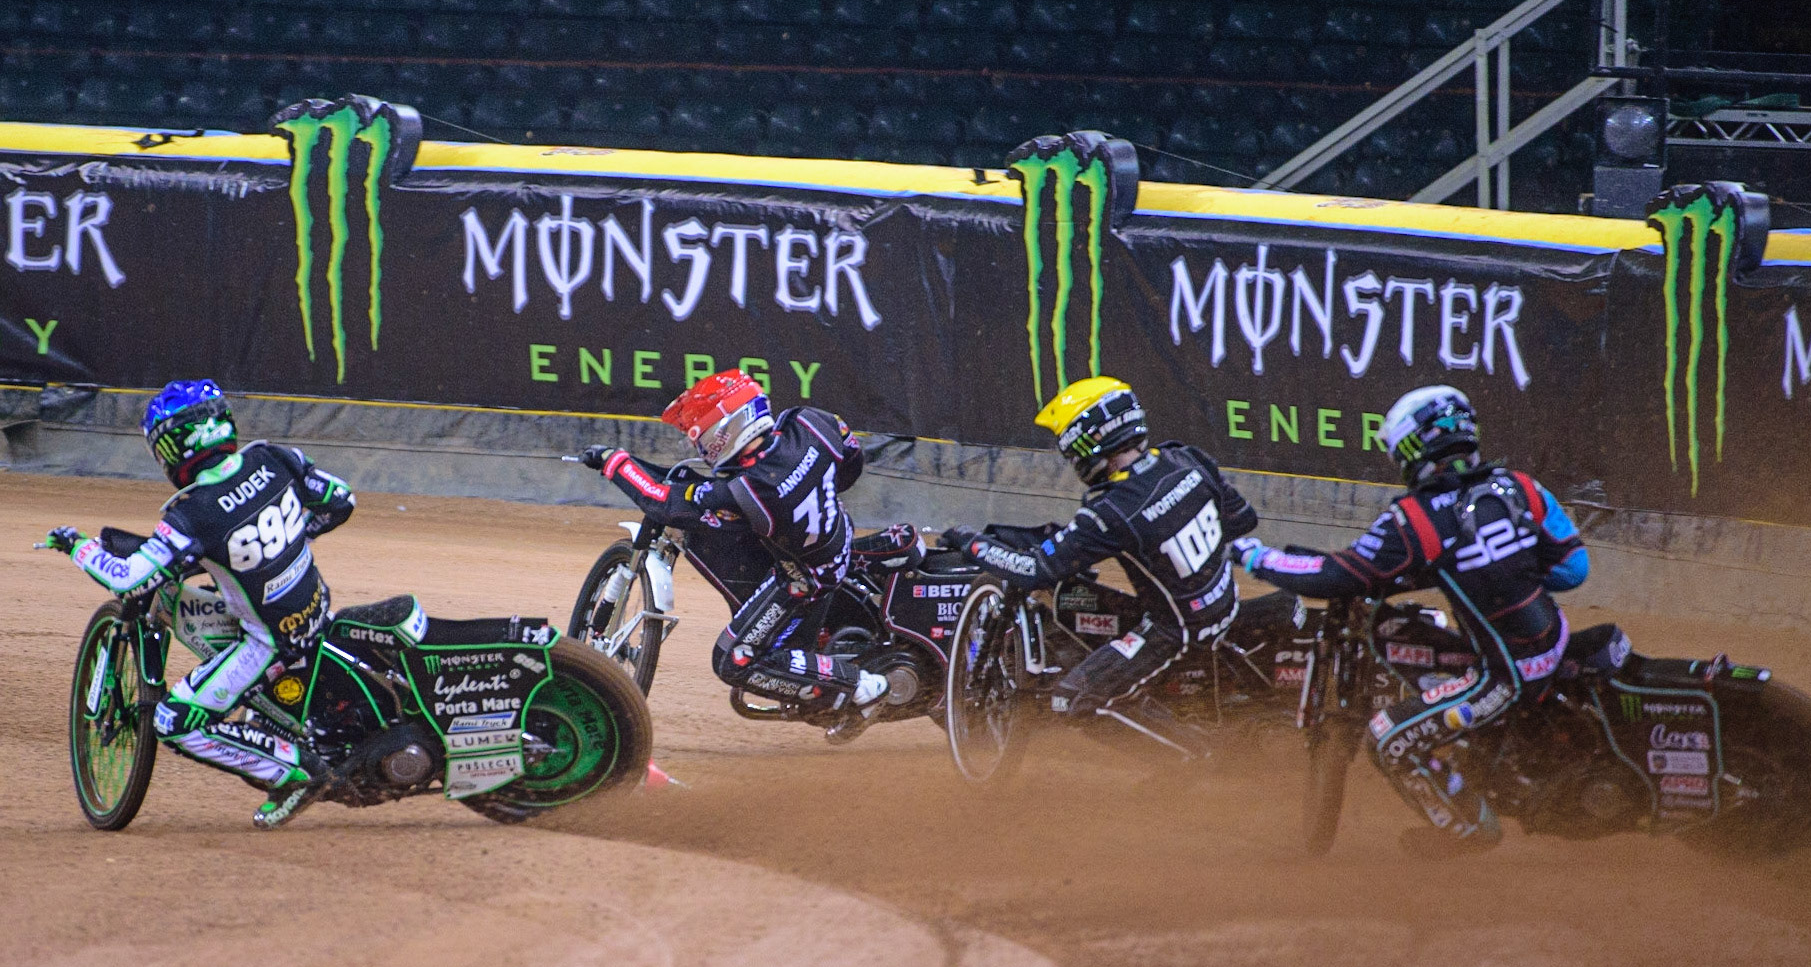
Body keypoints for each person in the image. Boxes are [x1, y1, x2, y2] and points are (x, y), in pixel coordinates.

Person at [1237, 385, 1589, 857]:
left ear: (1411, 449)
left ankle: (1468, 829)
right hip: (1556, 642)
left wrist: (1254, 556)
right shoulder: (1522, 487)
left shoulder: (1417, 519)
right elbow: (1573, 569)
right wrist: (1503, 568)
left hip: (1507, 677)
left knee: (1387, 737)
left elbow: (1340, 575)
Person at [43, 380, 356, 828]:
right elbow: (341, 501)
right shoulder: (274, 457)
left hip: (269, 643)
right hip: (316, 610)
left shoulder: (192, 513)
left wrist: (78, 548)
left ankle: (295, 771)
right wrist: (287, 545)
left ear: (172, 449)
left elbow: (132, 582)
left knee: (173, 720)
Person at [943, 376, 1260, 755]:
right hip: (1225, 600)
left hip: (1175, 632)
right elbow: (1242, 519)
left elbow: (1035, 571)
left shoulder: (1111, 511)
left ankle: (1194, 758)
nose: (1072, 460)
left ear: (1092, 442)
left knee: (1072, 701)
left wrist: (972, 544)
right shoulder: (1186, 457)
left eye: (1072, 450)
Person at [581, 369, 894, 713]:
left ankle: (857, 686)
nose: (697, 448)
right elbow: (851, 459)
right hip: (838, 534)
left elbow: (664, 502)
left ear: (723, 433)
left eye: (699, 438)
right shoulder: (810, 423)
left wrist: (615, 463)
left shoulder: (744, 490)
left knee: (733, 661)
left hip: (806, 578)